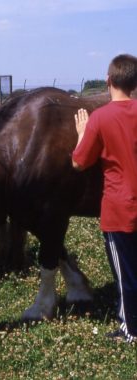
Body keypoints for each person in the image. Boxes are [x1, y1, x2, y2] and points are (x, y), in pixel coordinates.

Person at [72, 54, 137, 343]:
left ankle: (131, 330)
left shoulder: (100, 118)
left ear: (108, 80)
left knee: (126, 276)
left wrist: (82, 133)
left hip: (119, 210)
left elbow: (79, 162)